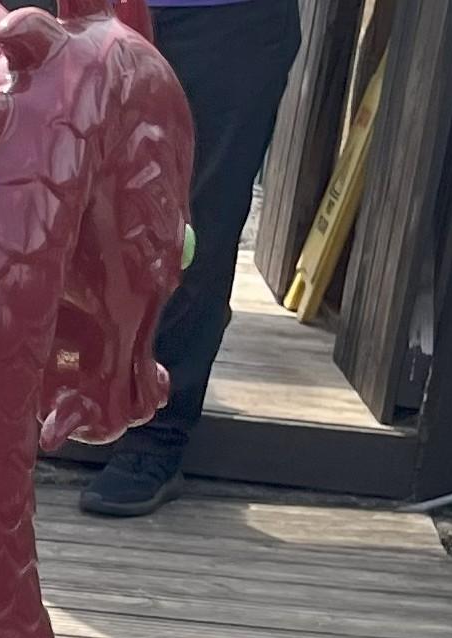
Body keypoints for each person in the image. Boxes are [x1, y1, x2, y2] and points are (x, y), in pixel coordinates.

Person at [79, 0, 303, 517]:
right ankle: (52, 399)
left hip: (230, 18)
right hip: (89, 12)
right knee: (58, 198)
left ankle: (157, 434)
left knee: (196, 227)